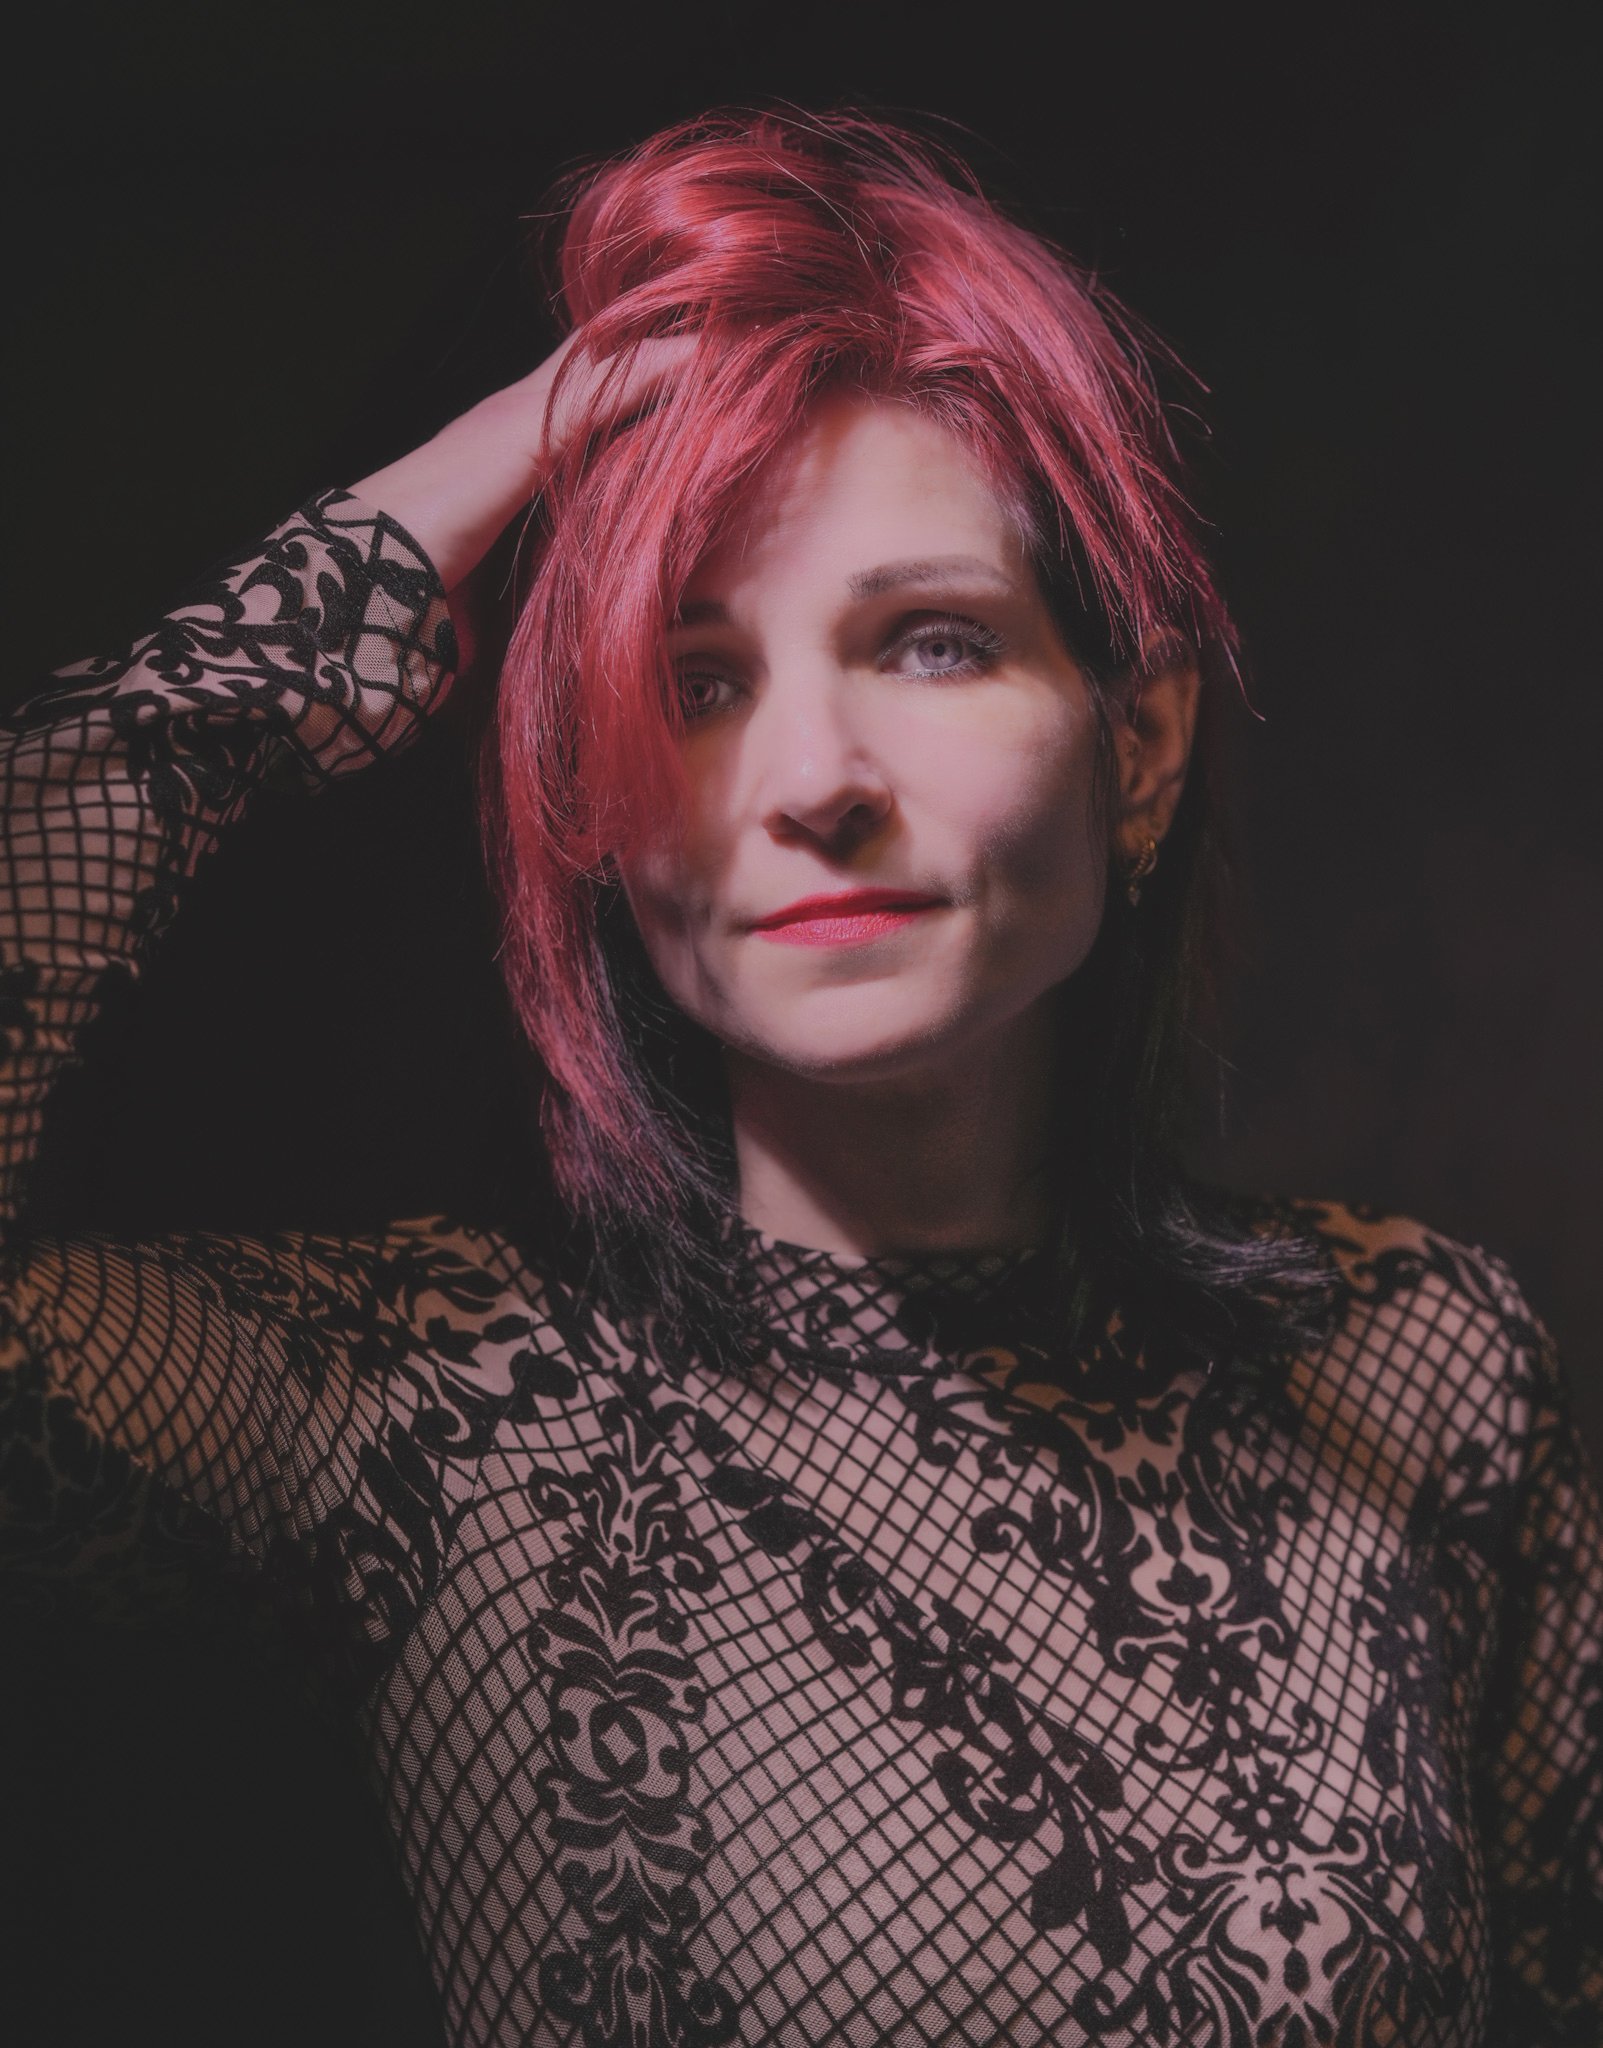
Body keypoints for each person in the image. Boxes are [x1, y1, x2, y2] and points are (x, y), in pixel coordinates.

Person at [3, 103, 1599, 2048]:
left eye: (928, 644)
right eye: (693, 681)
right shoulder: (413, 1416)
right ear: (598, 800)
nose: (814, 780)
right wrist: (384, 546)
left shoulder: (1421, 1363)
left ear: (1142, 747)